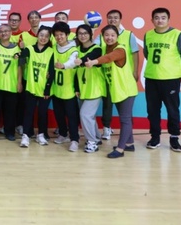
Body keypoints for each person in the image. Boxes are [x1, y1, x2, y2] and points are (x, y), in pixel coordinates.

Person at [86, 25, 138, 158]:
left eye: (112, 35)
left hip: (126, 89)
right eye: (106, 35)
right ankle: (129, 143)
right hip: (117, 90)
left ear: (117, 36)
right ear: (103, 37)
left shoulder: (120, 49)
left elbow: (109, 58)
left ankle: (120, 149)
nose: (109, 38)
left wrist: (94, 62)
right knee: (125, 118)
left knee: (125, 119)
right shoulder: (104, 49)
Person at [143, 7, 181, 152]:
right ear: (152, 20)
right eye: (156, 18)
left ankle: (174, 138)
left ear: (168, 20)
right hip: (151, 78)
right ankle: (155, 137)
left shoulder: (177, 34)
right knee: (152, 110)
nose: (160, 20)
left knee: (172, 110)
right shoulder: (148, 35)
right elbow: (147, 54)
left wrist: (172, 65)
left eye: (163, 18)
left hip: (171, 79)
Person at [97, 9, 140, 140]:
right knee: (107, 103)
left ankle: (127, 138)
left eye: (115, 17)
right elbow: (92, 49)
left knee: (125, 112)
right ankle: (107, 128)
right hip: (108, 77)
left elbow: (135, 53)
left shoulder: (128, 35)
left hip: (123, 78)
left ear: (120, 20)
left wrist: (135, 71)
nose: (113, 20)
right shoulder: (101, 36)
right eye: (110, 17)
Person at [0, 24, 22, 142]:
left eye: (6, 31)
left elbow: (19, 67)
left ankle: (9, 132)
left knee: (10, 111)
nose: (3, 33)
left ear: (10, 33)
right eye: (1, 31)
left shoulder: (17, 48)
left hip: (11, 84)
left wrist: (19, 83)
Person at [19, 25, 54, 147]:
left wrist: (47, 89)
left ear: (49, 38)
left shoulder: (51, 52)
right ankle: (25, 136)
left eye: (46, 36)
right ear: (37, 35)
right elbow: (21, 60)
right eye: (41, 35)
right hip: (31, 87)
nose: (43, 38)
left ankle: (41, 135)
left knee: (42, 113)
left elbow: (51, 72)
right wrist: (19, 54)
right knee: (28, 112)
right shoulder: (29, 49)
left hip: (45, 89)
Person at [73, 24, 105, 153]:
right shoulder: (76, 50)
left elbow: (91, 56)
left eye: (85, 33)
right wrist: (76, 88)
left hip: (95, 88)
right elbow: (75, 72)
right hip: (83, 88)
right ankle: (96, 137)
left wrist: (80, 60)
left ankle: (92, 142)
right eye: (80, 33)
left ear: (91, 34)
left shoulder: (97, 49)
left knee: (85, 115)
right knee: (89, 116)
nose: (83, 36)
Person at [51, 21, 80, 152]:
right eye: (56, 35)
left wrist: (63, 66)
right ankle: (63, 134)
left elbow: (72, 62)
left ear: (67, 34)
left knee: (72, 116)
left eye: (61, 34)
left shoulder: (73, 49)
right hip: (56, 88)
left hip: (69, 89)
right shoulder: (53, 48)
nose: (59, 37)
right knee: (59, 114)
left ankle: (74, 139)